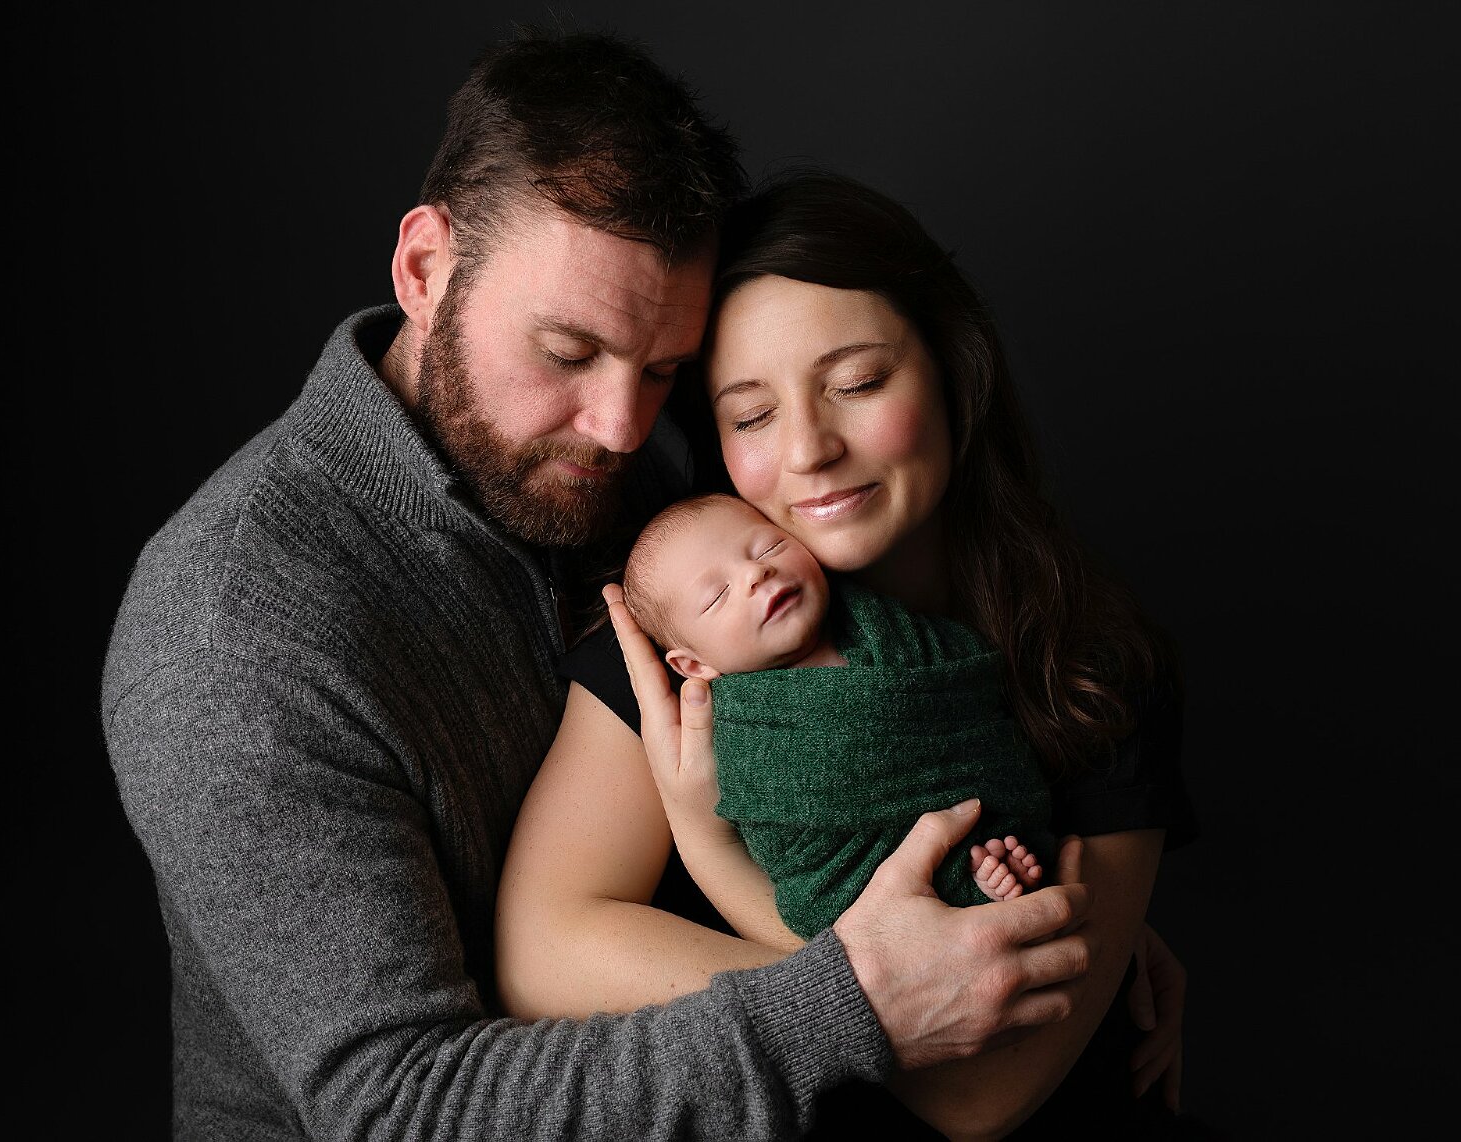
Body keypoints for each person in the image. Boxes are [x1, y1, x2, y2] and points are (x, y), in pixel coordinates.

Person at [100, 32, 1132, 1140]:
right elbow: (400, 1106)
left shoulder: (622, 482)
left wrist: (1089, 922)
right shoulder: (232, 633)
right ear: (421, 269)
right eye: (566, 350)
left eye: (661, 372)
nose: (620, 427)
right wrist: (860, 998)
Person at [496, 171, 1198, 1138]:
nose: (810, 449)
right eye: (751, 415)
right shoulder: (687, 645)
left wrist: (711, 856)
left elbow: (977, 1093)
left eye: (858, 383)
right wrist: (882, 986)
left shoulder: (1086, 669)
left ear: (953, 373)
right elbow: (542, 953)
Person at [620, 490, 1052, 924]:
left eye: (770, 547)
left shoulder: (888, 629)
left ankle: (989, 867)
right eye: (716, 596)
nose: (756, 572)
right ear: (695, 663)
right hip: (866, 885)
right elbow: (799, 862)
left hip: (991, 819)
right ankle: (968, 884)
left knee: (1006, 855)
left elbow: (969, 677)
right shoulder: (751, 735)